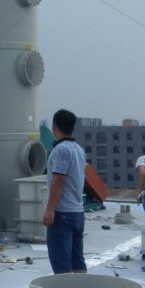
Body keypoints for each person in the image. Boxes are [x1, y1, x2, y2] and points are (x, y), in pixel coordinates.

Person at [43, 109, 87, 274]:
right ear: (73, 128)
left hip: (62, 214)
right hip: (78, 212)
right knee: (77, 261)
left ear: (54, 128)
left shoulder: (61, 150)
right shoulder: (79, 150)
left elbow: (58, 180)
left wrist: (49, 209)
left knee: (61, 263)